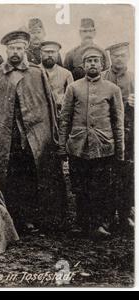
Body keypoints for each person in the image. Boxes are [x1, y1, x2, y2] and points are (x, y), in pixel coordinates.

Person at [0, 30, 66, 233]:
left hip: (31, 136)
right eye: (11, 48)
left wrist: (52, 135)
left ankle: (29, 218)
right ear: (6, 50)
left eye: (19, 48)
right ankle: (8, 218)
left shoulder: (36, 73)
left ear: (25, 49)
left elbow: (49, 106)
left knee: (30, 176)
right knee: (7, 176)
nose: (15, 52)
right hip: (4, 136)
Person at [59, 46, 124, 238]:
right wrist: (62, 147)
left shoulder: (113, 89)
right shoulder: (74, 87)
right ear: (83, 65)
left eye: (96, 61)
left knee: (101, 187)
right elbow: (65, 119)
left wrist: (119, 151)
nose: (93, 64)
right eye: (89, 61)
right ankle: (81, 223)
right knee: (80, 186)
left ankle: (98, 225)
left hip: (103, 147)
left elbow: (117, 122)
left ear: (103, 64)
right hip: (78, 146)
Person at [102, 42, 134, 235]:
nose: (118, 59)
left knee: (127, 175)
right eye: (115, 56)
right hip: (107, 133)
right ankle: (106, 216)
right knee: (106, 175)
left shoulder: (134, 78)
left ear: (128, 56)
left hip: (130, 135)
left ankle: (126, 215)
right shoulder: (103, 77)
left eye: (122, 56)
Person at [39, 41, 73, 113]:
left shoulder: (66, 74)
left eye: (53, 52)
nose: (50, 55)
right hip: (39, 113)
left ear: (58, 54)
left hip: (58, 113)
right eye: (47, 52)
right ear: (40, 54)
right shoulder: (33, 71)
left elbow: (71, 98)